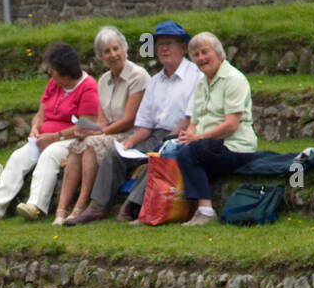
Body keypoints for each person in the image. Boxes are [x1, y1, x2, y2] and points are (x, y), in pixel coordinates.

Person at [66, 20, 201, 224]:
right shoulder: (155, 81)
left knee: (158, 157)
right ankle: (97, 206)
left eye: (169, 44)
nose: (164, 49)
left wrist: (168, 141)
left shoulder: (195, 77)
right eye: (160, 44)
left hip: (179, 135)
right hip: (154, 134)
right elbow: (145, 125)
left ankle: (131, 206)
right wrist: (129, 143)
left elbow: (190, 120)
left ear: (183, 47)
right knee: (115, 152)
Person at [0, 42, 98, 221]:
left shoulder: (88, 87)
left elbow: (86, 125)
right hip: (43, 138)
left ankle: (36, 206)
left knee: (49, 155)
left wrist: (54, 137)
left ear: (65, 72)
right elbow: (40, 113)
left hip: (70, 139)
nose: (50, 73)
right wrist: (35, 128)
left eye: (53, 69)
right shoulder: (54, 84)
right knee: (17, 157)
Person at [53, 27, 148, 225]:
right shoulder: (103, 80)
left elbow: (129, 119)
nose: (113, 55)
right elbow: (102, 120)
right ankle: (61, 211)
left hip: (131, 133)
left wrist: (99, 133)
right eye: (107, 51)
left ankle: (82, 206)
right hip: (109, 132)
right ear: (101, 56)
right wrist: (88, 131)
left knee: (92, 143)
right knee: (77, 144)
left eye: (116, 48)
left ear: (124, 48)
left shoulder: (138, 76)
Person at [173, 32, 258, 227]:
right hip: (208, 144)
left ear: (219, 53)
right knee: (169, 147)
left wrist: (198, 138)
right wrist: (190, 134)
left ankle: (204, 210)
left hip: (236, 146)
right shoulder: (202, 83)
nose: (201, 58)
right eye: (195, 54)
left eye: (205, 52)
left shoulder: (234, 79)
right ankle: (168, 209)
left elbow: (231, 125)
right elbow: (194, 120)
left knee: (191, 152)